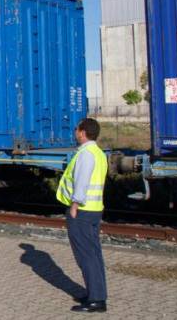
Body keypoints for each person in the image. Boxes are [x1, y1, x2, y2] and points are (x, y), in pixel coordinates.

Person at [57, 118, 108, 313]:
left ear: (83, 132)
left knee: (86, 256)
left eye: (76, 129)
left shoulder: (86, 154)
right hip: (94, 209)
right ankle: (96, 293)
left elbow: (82, 180)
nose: (75, 131)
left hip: (82, 211)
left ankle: (96, 301)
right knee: (94, 255)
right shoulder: (99, 153)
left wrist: (74, 205)